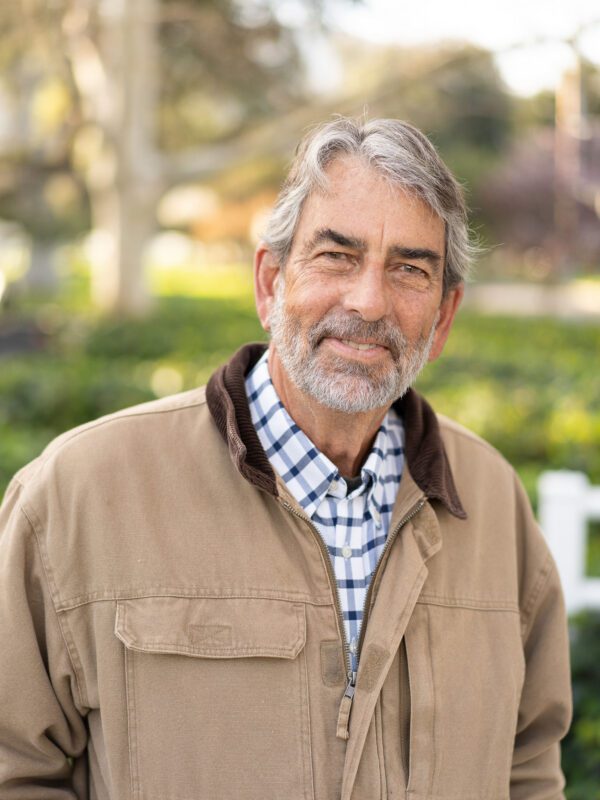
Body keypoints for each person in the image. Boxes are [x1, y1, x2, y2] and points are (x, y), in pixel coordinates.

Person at [0, 117, 571, 800]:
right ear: (270, 283)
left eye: (409, 269)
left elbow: (528, 770)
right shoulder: (78, 492)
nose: (369, 301)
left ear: (444, 317)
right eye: (336, 256)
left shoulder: (494, 501)